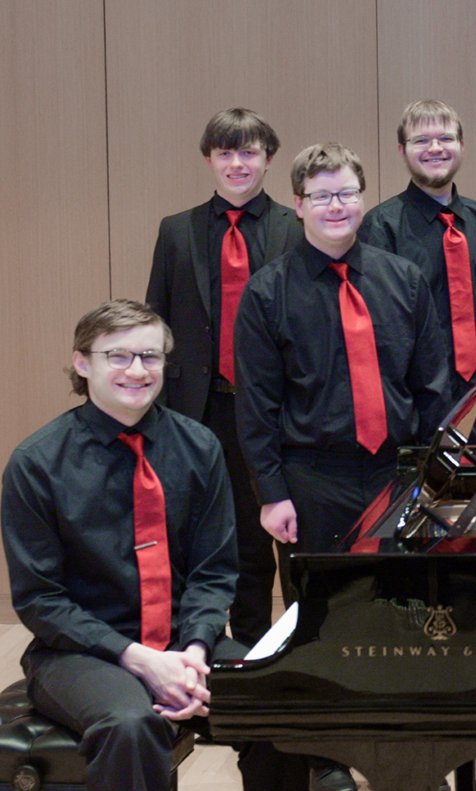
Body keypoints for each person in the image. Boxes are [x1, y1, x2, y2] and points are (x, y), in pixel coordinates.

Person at [2, 300, 324, 791]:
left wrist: (196, 651)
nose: (137, 370)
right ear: (82, 363)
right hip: (80, 651)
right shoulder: (36, 463)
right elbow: (40, 600)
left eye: (150, 355)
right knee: (130, 727)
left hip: (183, 639)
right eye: (117, 356)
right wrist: (142, 661)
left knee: (274, 699)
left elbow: (214, 571)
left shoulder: (198, 447)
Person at [236, 142, 451, 791]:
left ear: (363, 198)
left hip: (395, 470)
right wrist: (272, 494)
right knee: (319, 618)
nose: (336, 207)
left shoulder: (403, 278)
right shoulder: (269, 291)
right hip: (313, 475)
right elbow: (257, 407)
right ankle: (326, 755)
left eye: (347, 193)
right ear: (297, 204)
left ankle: (410, 746)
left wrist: (433, 477)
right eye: (322, 196)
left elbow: (433, 384)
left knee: (404, 614)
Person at [145, 108, 302, 646]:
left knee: (289, 539)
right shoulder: (176, 232)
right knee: (226, 544)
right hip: (202, 411)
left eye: (249, 152)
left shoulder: (295, 228)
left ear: (269, 159)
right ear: (209, 160)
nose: (237, 164)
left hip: (282, 413)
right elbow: (156, 324)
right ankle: (241, 660)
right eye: (225, 153)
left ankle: (302, 660)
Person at [359, 100, 476, 443]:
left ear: (461, 147)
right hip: (413, 409)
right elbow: (378, 336)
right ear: (402, 151)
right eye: (421, 140)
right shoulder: (380, 227)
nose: (435, 148)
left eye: (445, 138)